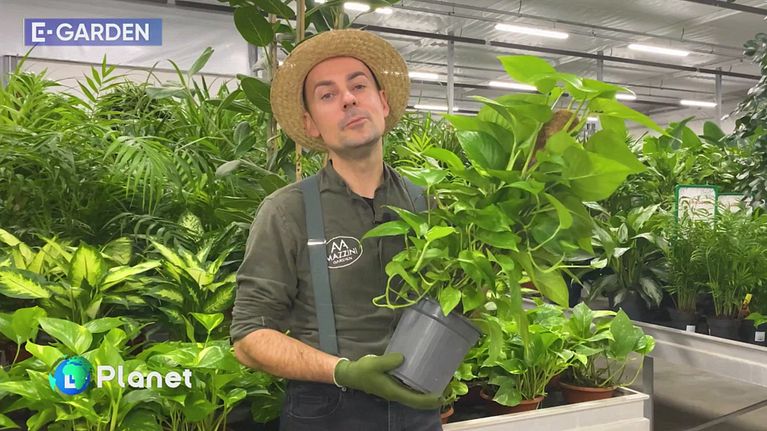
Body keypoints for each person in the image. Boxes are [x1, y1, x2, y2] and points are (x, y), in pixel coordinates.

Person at [230, 29, 443, 431]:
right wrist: (343, 371)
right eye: (327, 95)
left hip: (419, 409)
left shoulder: (429, 205)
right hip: (325, 408)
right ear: (310, 124)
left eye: (358, 86)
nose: (348, 99)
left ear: (383, 102)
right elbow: (248, 338)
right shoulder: (288, 211)